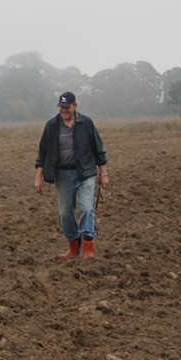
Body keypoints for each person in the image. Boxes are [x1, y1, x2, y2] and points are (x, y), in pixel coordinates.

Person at [34, 91, 109, 259]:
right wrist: (38, 177)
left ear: (75, 106)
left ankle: (88, 246)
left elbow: (98, 149)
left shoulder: (86, 123)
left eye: (67, 107)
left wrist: (104, 173)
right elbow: (42, 153)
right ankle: (73, 245)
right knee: (64, 212)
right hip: (63, 174)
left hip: (85, 172)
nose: (64, 110)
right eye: (61, 107)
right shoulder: (52, 126)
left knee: (87, 208)